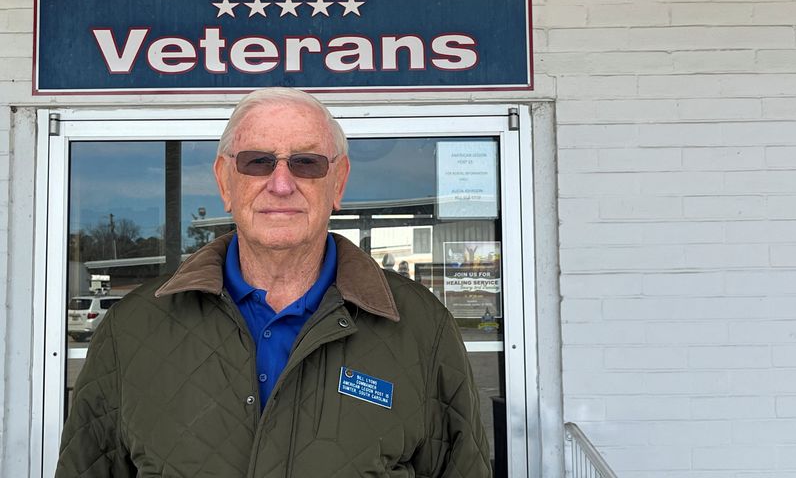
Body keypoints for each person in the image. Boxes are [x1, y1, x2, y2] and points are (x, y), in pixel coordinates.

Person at [56, 87, 491, 477]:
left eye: (306, 163)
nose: (281, 184)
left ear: (338, 183)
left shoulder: (421, 328)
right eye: (258, 162)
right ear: (225, 182)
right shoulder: (133, 328)